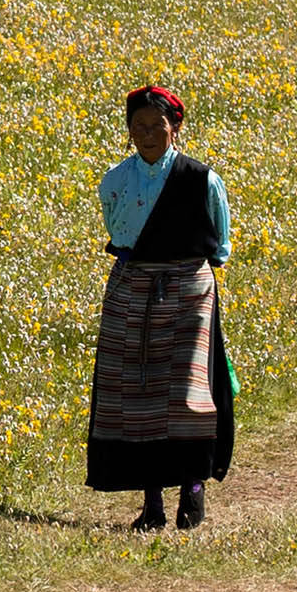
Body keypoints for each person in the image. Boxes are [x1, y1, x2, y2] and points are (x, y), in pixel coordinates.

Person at [87, 82, 236, 531]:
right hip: (132, 290)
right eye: (139, 127)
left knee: (188, 397)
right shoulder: (114, 181)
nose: (148, 134)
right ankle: (152, 502)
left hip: (190, 291)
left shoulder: (203, 180)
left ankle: (193, 489)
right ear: (128, 131)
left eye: (158, 126)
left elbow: (221, 244)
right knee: (135, 396)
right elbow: (117, 232)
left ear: (176, 129)